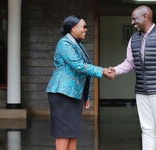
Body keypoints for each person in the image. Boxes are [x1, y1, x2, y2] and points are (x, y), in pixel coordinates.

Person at [109, 6, 156, 150]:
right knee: (147, 130)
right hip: (141, 91)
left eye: (135, 19)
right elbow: (130, 63)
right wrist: (115, 70)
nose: (132, 22)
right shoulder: (134, 39)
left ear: (146, 17)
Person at [46, 15, 112, 150]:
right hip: (61, 93)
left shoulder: (76, 44)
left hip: (73, 94)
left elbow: (82, 71)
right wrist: (103, 70)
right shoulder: (64, 43)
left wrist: (85, 95)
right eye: (84, 27)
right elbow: (79, 66)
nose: (86, 30)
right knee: (64, 132)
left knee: (72, 132)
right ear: (73, 28)